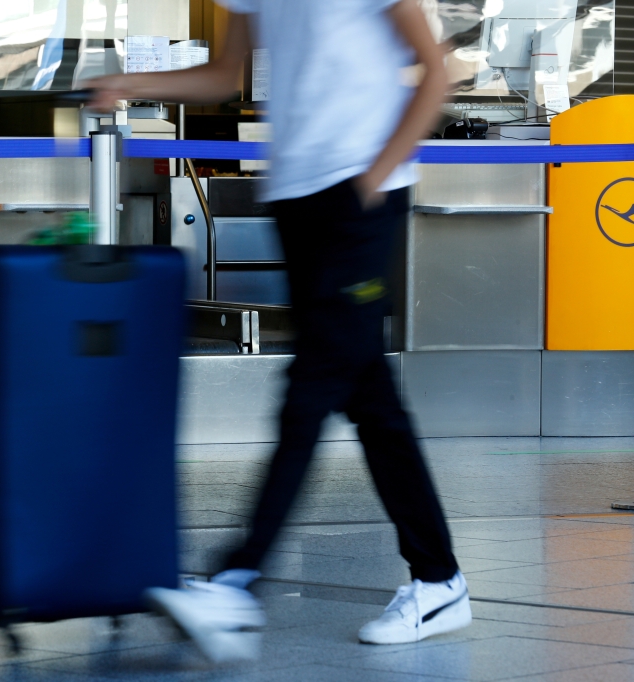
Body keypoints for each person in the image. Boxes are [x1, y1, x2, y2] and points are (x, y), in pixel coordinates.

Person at [90, 0, 470, 662]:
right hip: (296, 196)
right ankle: (438, 580)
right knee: (368, 395)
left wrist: (371, 183)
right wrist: (133, 83)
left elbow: (436, 72)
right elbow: (226, 74)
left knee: (312, 385)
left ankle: (238, 579)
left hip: (356, 194)